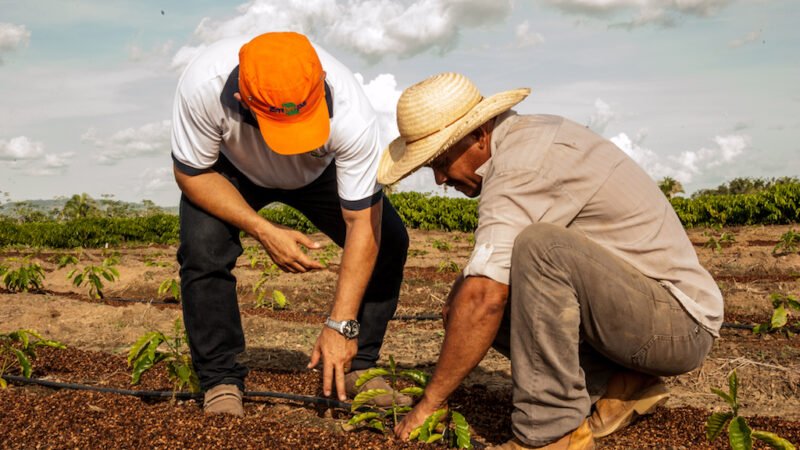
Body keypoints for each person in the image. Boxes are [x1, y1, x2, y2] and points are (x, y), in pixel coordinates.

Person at [380, 73, 722, 449]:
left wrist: (430, 402)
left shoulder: (520, 166)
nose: (440, 179)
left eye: (442, 161)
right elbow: (475, 292)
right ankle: (620, 384)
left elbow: (485, 299)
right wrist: (461, 300)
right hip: (644, 314)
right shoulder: (521, 143)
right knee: (467, 298)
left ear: (479, 135)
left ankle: (552, 433)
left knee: (538, 251)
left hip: (678, 325)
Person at [170, 31, 410, 416]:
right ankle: (220, 379)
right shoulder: (203, 86)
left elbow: (363, 225)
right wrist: (262, 229)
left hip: (318, 172)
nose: (295, 142)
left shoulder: (352, 112)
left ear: (321, 82)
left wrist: (341, 323)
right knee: (202, 250)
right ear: (242, 99)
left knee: (391, 242)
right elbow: (192, 173)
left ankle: (359, 366)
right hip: (231, 170)